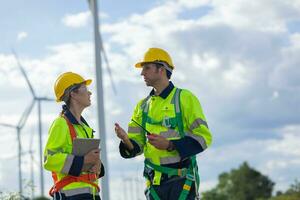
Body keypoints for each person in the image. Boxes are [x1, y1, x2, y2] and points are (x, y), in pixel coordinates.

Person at [114, 47, 212, 200]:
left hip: (181, 182)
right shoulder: (142, 106)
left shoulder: (185, 98)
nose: (142, 73)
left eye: (147, 68)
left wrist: (170, 145)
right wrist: (126, 140)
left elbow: (204, 138)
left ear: (161, 69)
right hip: (154, 185)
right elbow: (137, 146)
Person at [44, 72, 104, 200]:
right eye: (85, 89)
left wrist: (97, 164)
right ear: (73, 94)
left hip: (91, 194)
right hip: (71, 195)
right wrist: (83, 161)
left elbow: (86, 160)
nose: (90, 93)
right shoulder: (61, 123)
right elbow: (49, 159)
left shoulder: (85, 128)